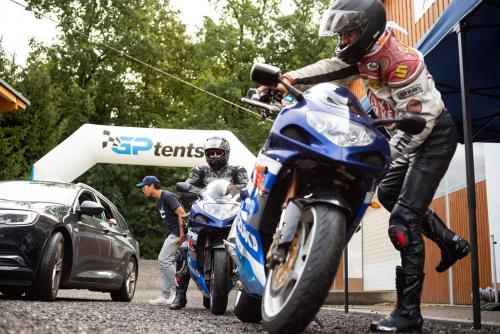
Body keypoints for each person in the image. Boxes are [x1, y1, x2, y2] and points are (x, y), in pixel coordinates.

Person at [259, 0, 471, 331]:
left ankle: (408, 314)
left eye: (347, 34)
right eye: (340, 35)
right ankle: (450, 241)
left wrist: (380, 158)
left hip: (431, 135)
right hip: (400, 128)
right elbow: (333, 66)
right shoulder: (366, 51)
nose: (342, 41)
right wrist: (289, 79)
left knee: (402, 220)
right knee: (388, 194)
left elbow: (425, 119)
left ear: (366, 30)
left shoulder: (401, 61)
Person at [169, 136, 249, 310]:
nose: (214, 156)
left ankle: (251, 295)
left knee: (248, 245)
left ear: (225, 153)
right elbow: (187, 185)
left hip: (231, 211)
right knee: (184, 249)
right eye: (210, 153)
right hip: (204, 211)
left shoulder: (237, 169)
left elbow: (246, 186)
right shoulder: (200, 170)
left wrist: (243, 190)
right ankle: (180, 295)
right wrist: (190, 188)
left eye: (218, 152)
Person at [136, 175, 186, 306]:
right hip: (172, 232)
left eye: (144, 187)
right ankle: (165, 295)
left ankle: (177, 292)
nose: (142, 189)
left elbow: (181, 213)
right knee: (163, 262)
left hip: (177, 233)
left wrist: (182, 235)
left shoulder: (168, 196)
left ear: (152, 186)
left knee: (164, 260)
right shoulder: (159, 201)